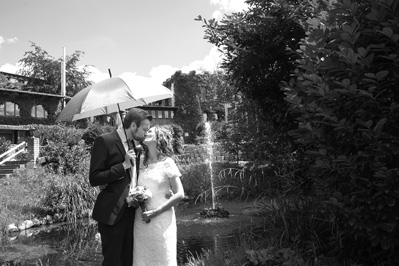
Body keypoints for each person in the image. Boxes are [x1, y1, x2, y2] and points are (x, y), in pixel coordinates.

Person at [89, 107, 152, 266]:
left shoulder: (134, 145)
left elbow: (132, 178)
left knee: (128, 260)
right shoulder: (105, 141)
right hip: (112, 213)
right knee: (112, 261)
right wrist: (122, 165)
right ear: (132, 126)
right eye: (144, 129)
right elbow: (94, 178)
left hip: (131, 212)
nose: (146, 133)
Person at [133, 125, 185, 266]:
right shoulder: (140, 162)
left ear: (158, 138)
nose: (145, 132)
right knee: (142, 258)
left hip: (161, 218)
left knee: (162, 257)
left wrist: (156, 212)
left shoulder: (167, 162)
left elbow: (180, 193)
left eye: (149, 131)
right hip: (141, 219)